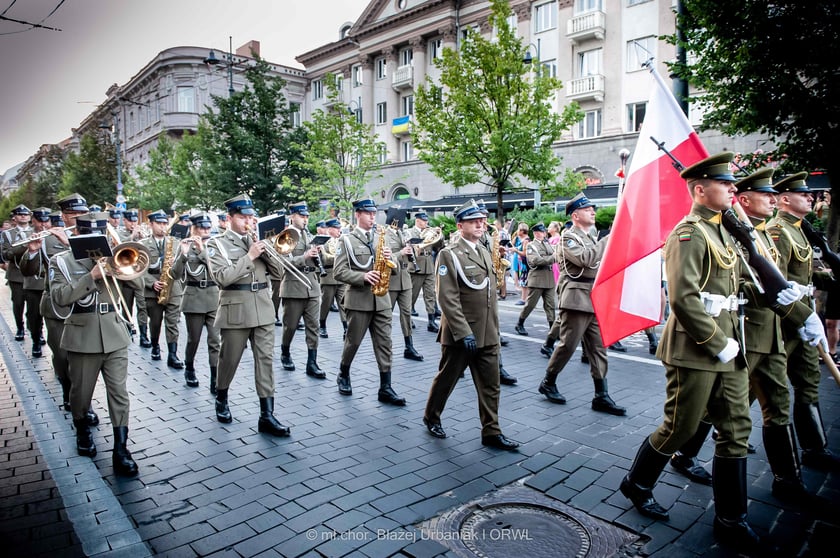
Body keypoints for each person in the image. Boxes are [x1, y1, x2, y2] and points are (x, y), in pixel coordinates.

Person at [619, 153, 772, 553]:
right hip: (697, 347)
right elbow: (684, 298)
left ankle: (730, 519)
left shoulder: (726, 232)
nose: (734, 189)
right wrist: (719, 344)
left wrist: (779, 295)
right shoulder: (688, 233)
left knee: (736, 428)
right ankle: (637, 482)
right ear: (700, 189)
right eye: (726, 184)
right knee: (681, 427)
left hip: (730, 343)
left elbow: (738, 285)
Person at [423, 199, 519, 450]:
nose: (480, 224)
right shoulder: (449, 254)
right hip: (461, 333)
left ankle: (491, 431)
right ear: (459, 225)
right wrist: (463, 331)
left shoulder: (484, 250)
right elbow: (447, 296)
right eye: (473, 221)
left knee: (490, 384)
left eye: (481, 220)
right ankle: (431, 416)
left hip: (487, 331)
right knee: (447, 379)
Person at [49, 211, 138, 476]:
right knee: (81, 393)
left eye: (102, 234)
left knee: (119, 393)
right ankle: (82, 429)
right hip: (82, 335)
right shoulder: (62, 261)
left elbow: (138, 285)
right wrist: (92, 276)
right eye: (91, 234)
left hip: (114, 333)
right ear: (77, 233)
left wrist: (125, 270)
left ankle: (121, 449)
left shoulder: (117, 256)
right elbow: (60, 297)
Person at [768, 172, 840, 471]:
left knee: (808, 382)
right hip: (784, 323)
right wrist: (802, 316)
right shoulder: (778, 232)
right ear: (785, 199)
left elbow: (803, 275)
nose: (811, 197)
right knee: (754, 391)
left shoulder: (801, 230)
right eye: (804, 195)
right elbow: (775, 283)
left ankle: (814, 447)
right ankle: (702, 440)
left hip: (805, 319)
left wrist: (827, 278)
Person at [205, 194, 290, 436]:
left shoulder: (260, 242)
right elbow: (222, 278)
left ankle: (267, 415)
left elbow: (279, 273)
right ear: (229, 218)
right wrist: (250, 256)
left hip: (263, 307)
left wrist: (268, 252)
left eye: (251, 217)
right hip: (236, 308)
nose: (248, 222)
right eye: (243, 217)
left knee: (265, 361)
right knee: (229, 360)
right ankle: (221, 396)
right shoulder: (216, 244)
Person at [538, 193, 625, 416]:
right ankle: (548, 381)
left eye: (593, 209)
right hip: (576, 299)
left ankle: (601, 395)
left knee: (598, 347)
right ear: (575, 215)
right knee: (568, 344)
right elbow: (586, 259)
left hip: (593, 297)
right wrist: (610, 239)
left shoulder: (590, 236)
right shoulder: (569, 238)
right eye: (588, 210)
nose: (593, 212)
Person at [333, 198, 405, 405]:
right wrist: (362, 277)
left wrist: (392, 259)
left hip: (382, 299)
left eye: (374, 213)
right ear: (358, 214)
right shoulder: (346, 240)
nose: (373, 216)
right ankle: (343, 373)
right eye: (368, 213)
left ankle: (386, 387)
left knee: (385, 343)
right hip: (358, 300)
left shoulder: (382, 237)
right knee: (353, 341)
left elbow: (395, 268)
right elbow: (338, 272)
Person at [169, 213, 221, 391]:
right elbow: (175, 275)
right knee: (194, 339)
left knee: (215, 340)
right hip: (193, 298)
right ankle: (189, 367)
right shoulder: (184, 246)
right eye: (202, 227)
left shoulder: (215, 245)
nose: (206, 230)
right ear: (194, 229)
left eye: (208, 227)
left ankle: (215, 379)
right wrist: (183, 255)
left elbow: (218, 269)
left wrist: (202, 250)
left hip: (214, 297)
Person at [277, 202, 324, 378]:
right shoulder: (287, 235)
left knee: (313, 326)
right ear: (292, 216)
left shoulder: (309, 235)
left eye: (306, 216)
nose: (305, 219)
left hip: (311, 285)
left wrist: (319, 252)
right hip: (294, 286)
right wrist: (304, 256)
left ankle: (312, 362)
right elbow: (283, 263)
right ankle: (285, 352)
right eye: (302, 216)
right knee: (290, 326)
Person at [140, 210, 185, 368]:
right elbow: (138, 269)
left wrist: (177, 262)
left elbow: (181, 271)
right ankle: (155, 346)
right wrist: (151, 283)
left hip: (173, 288)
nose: (163, 227)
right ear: (151, 224)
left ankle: (172, 355)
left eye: (165, 223)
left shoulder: (176, 242)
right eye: (159, 223)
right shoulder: (143, 245)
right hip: (152, 290)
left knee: (172, 323)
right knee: (155, 322)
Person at [387, 215, 424, 362]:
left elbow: (411, 255)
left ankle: (409, 346)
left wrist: (413, 250)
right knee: (386, 314)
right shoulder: (384, 235)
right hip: (392, 279)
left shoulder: (404, 234)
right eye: (397, 222)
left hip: (405, 278)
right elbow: (385, 256)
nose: (400, 224)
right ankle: (385, 344)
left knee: (407, 313)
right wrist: (400, 253)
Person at [514, 223, 556, 336]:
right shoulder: (531, 245)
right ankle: (520, 323)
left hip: (549, 279)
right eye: (536, 232)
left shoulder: (547, 244)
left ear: (544, 233)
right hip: (537, 279)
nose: (539, 234)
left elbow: (553, 255)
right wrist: (553, 257)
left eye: (541, 232)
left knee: (550, 305)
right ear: (534, 233)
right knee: (530, 304)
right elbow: (536, 260)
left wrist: (551, 257)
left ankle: (553, 330)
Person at [21, 207, 51, 357]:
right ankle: (36, 342)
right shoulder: (25, 235)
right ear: (33, 221)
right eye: (40, 220)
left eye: (46, 220)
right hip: (33, 284)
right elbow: (13, 255)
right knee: (34, 316)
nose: (43, 224)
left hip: (50, 284)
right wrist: (30, 249)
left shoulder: (55, 236)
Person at [1, 204, 33, 341]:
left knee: (34, 305)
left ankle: (35, 330)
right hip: (17, 274)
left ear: (30, 216)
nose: (23, 216)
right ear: (15, 217)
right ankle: (20, 327)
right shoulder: (8, 234)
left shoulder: (35, 231)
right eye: (20, 214)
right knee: (18, 303)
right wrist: (24, 247)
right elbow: (6, 254)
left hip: (33, 274)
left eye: (26, 214)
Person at [408, 212, 442, 332]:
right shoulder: (410, 232)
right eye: (424, 221)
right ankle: (408, 318)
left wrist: (439, 235)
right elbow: (409, 246)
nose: (426, 223)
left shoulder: (430, 231)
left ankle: (431, 322)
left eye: (427, 221)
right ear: (417, 220)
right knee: (412, 295)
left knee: (431, 295)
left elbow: (438, 246)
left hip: (429, 266)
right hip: (416, 266)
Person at [318, 218, 347, 339]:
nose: (339, 230)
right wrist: (339, 257)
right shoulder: (322, 242)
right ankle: (322, 325)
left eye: (340, 228)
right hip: (328, 276)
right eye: (337, 228)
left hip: (341, 277)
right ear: (330, 229)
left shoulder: (342, 241)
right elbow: (325, 259)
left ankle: (346, 328)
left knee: (343, 304)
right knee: (326, 303)